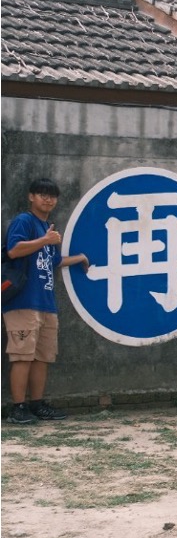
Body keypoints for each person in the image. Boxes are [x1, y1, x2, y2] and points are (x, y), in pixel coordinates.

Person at [3, 178, 88, 424]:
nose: (48, 199)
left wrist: (79, 257)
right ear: (31, 197)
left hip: (46, 302)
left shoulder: (47, 227)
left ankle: (37, 404)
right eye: (42, 194)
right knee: (23, 356)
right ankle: (17, 408)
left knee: (43, 357)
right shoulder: (25, 221)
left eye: (52, 196)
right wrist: (45, 241)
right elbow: (13, 250)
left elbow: (53, 262)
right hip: (22, 301)